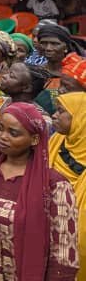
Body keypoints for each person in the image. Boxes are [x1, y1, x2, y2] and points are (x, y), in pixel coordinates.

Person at [0, 102, 79, 281]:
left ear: (34, 140)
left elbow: (64, 256)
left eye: (13, 133)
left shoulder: (54, 186)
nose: (3, 136)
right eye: (0, 128)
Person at [48, 92, 86, 281]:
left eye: (62, 111)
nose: (54, 115)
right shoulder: (56, 141)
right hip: (49, 224)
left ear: (81, 119)